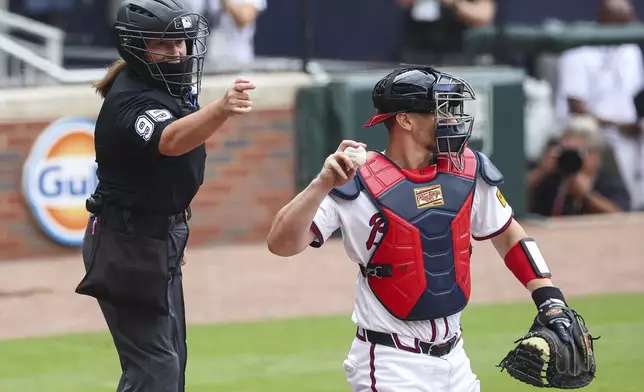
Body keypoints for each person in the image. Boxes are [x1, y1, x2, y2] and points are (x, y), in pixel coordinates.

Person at [266, 66, 595, 392]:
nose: (452, 121)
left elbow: (509, 234)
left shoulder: (466, 169)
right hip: (391, 364)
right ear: (406, 120)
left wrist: (549, 299)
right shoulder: (353, 180)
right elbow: (281, 244)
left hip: (456, 360)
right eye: (441, 112)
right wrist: (321, 184)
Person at [74, 1, 255, 391]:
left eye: (182, 43)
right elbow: (169, 141)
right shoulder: (130, 98)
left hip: (155, 236)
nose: (177, 52)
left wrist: (168, 230)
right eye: (164, 44)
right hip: (127, 241)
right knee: (155, 370)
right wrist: (222, 109)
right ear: (137, 48)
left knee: (172, 359)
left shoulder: (165, 87)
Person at [555, 0, 644, 211]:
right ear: (604, 19)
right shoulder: (578, 50)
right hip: (591, 135)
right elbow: (576, 107)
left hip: (628, 133)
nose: (628, 26)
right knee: (588, 130)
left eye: (630, 20)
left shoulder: (631, 49)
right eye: (622, 21)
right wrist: (618, 126)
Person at [528, 115, 630, 216]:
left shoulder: (607, 182)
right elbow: (517, 198)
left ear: (594, 154)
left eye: (577, 153)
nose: (571, 159)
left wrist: (587, 196)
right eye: (567, 152)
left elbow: (620, 215)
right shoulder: (552, 179)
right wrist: (542, 170)